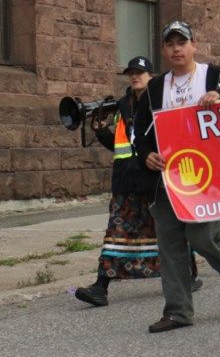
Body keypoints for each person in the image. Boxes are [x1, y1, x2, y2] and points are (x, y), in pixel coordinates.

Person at [134, 20, 220, 333]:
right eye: (170, 43)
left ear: (193, 46)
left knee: (202, 238)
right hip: (168, 181)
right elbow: (140, 132)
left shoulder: (215, 75)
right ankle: (178, 312)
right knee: (170, 245)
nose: (176, 48)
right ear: (163, 49)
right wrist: (145, 154)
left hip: (209, 179)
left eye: (182, 42)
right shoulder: (156, 88)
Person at [74, 57, 201, 306]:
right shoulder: (122, 106)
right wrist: (101, 131)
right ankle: (101, 287)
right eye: (131, 73)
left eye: (140, 72)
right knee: (116, 232)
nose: (135, 77)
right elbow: (122, 146)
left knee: (170, 230)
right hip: (126, 181)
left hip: (155, 180)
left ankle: (190, 273)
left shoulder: (163, 102)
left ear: (151, 76)